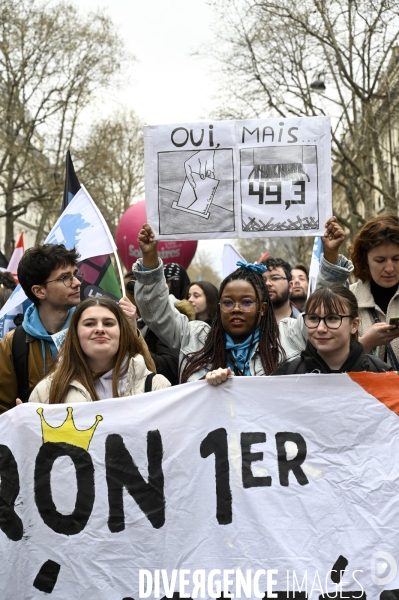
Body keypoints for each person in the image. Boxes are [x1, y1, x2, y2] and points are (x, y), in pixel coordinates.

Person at [133, 224, 285, 385]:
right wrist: (150, 258)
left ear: (262, 308)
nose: (236, 309)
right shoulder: (195, 337)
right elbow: (156, 312)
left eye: (246, 302)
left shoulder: (284, 338)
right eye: (227, 302)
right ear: (219, 306)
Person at [0, 244, 137, 413]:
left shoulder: (95, 332)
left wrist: (131, 331)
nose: (77, 283)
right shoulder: (14, 343)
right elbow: (3, 409)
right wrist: (19, 419)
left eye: (75, 274)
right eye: (65, 277)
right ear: (39, 291)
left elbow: (139, 377)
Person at [29, 297, 170, 404]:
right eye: (89, 324)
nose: (100, 329)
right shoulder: (46, 392)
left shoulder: (158, 387)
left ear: (122, 332)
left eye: (108, 323)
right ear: (75, 334)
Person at [318, 215, 399, 367]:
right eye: (380, 260)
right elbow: (326, 360)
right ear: (365, 260)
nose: (389, 268)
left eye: (397, 259)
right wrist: (365, 344)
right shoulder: (348, 299)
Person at [272, 285, 391, 375]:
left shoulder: (380, 373)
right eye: (313, 318)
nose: (321, 328)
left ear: (354, 325)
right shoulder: (288, 374)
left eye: (332, 318)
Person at [124, 270, 180, 385]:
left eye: (127, 290)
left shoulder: (162, 322)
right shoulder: (128, 323)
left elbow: (169, 368)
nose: (123, 296)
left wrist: (133, 337)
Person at [261, 257, 301, 321]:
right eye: (263, 280)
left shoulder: (305, 323)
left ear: (290, 286)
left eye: (275, 278)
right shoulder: (250, 323)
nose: (267, 283)